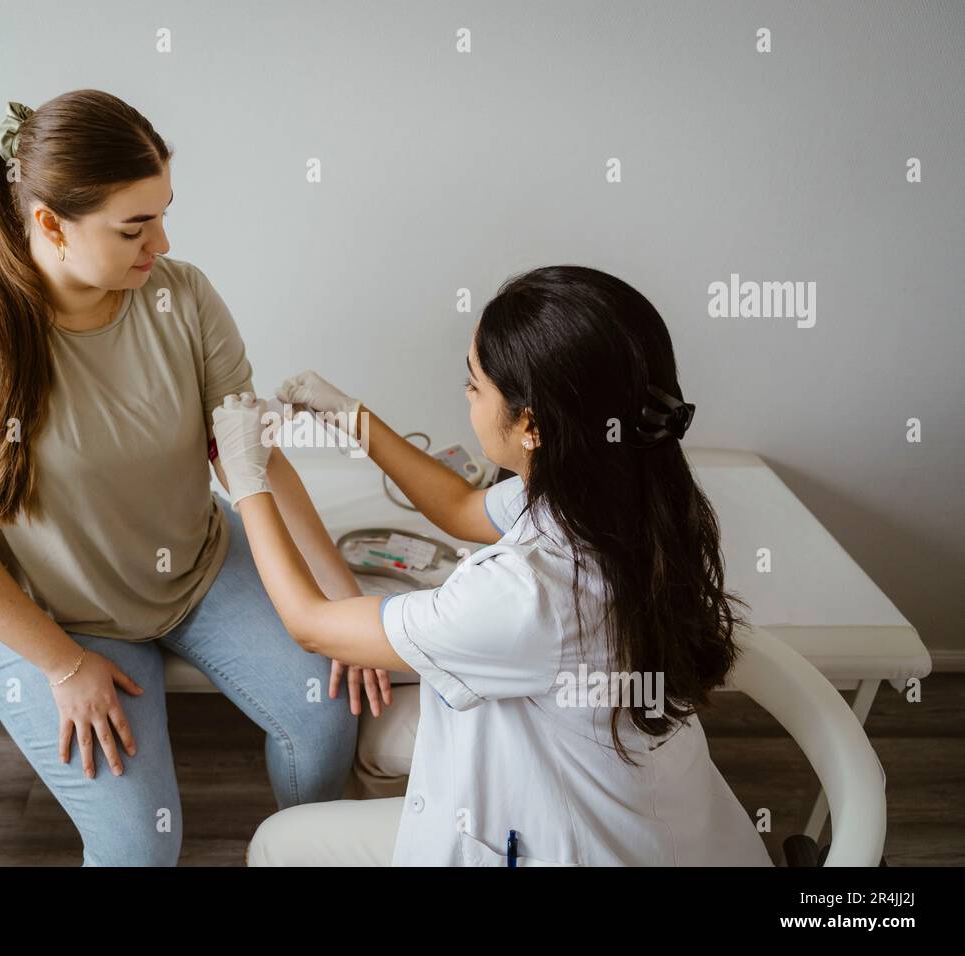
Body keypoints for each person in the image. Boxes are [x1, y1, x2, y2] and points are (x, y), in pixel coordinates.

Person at [0, 90, 383, 867]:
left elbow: (251, 460)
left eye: (164, 213)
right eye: (134, 226)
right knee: (138, 848)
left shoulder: (182, 297)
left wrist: (347, 606)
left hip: (198, 563)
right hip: (52, 610)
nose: (162, 241)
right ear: (50, 223)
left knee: (325, 720)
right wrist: (64, 664)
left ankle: (302, 852)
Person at [210, 265, 775, 866]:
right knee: (381, 738)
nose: (467, 396)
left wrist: (246, 482)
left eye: (474, 385)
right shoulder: (621, 492)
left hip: (582, 848)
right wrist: (351, 418)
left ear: (530, 424)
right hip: (655, 810)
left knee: (277, 841)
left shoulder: (523, 590)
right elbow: (460, 507)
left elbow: (312, 623)